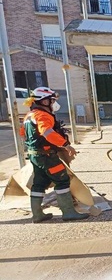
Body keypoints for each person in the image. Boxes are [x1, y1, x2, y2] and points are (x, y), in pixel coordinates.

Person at [19, 86, 89, 222]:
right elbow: (47, 133)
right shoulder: (42, 116)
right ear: (44, 102)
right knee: (62, 180)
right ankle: (69, 213)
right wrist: (65, 145)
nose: (53, 103)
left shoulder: (29, 116)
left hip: (35, 155)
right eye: (51, 100)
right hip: (47, 155)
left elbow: (23, 134)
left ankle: (38, 215)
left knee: (39, 183)